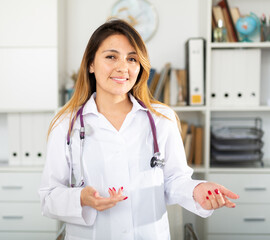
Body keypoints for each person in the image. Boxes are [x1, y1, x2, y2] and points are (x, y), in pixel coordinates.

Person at [39, 19, 239, 240]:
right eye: (111, 56)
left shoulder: (161, 119)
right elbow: (49, 197)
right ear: (90, 64)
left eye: (132, 58)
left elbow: (175, 180)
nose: (123, 67)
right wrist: (81, 198)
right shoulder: (66, 123)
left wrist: (197, 190)